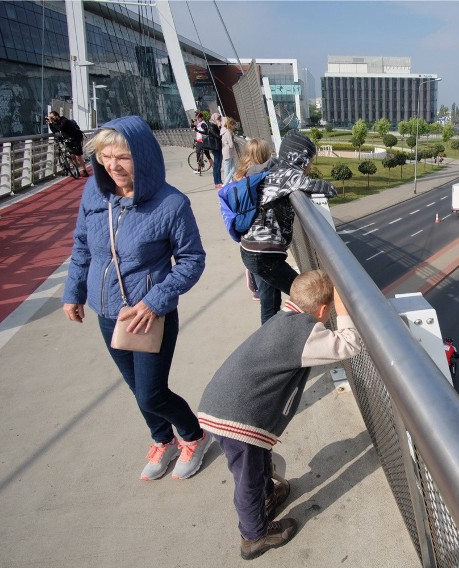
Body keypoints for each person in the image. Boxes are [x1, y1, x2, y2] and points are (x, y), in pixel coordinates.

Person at [62, 116, 212, 481]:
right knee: (136, 389)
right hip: (108, 312)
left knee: (151, 394)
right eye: (105, 157)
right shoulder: (95, 195)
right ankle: (164, 440)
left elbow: (192, 260)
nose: (112, 166)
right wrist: (74, 292)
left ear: (142, 157)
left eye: (122, 157)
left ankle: (194, 435)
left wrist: (154, 301)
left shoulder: (171, 204)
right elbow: (82, 246)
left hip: (149, 315)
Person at [197, 270, 363, 560]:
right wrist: (344, 308)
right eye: (329, 312)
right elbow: (349, 345)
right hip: (236, 418)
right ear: (323, 310)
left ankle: (266, 498)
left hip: (223, 404)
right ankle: (254, 535)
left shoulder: (284, 317)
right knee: (247, 478)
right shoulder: (303, 334)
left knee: (259, 459)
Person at [240, 130, 337, 324]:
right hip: (264, 255)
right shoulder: (290, 175)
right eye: (309, 160)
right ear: (299, 158)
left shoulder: (273, 167)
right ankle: (289, 340)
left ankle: (268, 344)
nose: (310, 166)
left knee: (270, 303)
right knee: (306, 296)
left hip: (252, 249)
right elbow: (327, 189)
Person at [233, 138, 274, 304]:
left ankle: (255, 283)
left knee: (262, 288)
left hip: (244, 232)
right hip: (259, 238)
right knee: (268, 299)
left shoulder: (239, 176)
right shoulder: (258, 178)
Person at [47, 111, 88, 176]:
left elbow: (60, 128)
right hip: (68, 140)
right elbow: (55, 130)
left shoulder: (64, 121)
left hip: (75, 139)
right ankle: (76, 170)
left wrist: (52, 122)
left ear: (57, 116)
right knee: (72, 156)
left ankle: (84, 170)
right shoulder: (57, 123)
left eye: (52, 117)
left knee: (78, 156)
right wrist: (50, 123)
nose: (52, 118)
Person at [208, 113, 224, 187]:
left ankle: (218, 181)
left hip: (217, 147)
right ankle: (217, 182)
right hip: (216, 148)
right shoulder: (212, 126)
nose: (218, 120)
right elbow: (218, 136)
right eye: (218, 118)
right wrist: (220, 127)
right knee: (217, 165)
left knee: (218, 165)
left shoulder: (213, 125)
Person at [221, 116, 237, 185]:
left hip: (226, 153)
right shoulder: (228, 132)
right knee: (231, 169)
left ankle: (229, 182)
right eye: (234, 125)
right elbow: (231, 145)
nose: (234, 127)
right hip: (228, 153)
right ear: (231, 125)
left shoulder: (224, 131)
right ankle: (225, 183)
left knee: (229, 169)